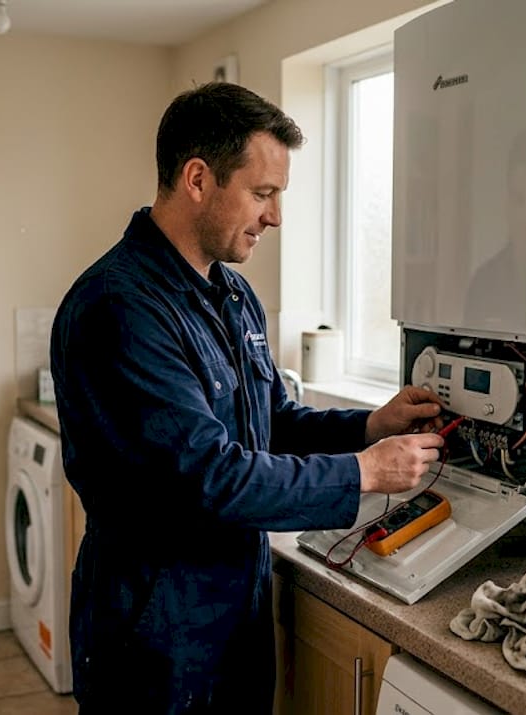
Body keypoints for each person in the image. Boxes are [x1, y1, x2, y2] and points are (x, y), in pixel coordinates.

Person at [50, 82, 447, 714]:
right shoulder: (119, 306)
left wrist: (370, 426)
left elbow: (271, 422)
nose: (275, 217)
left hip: (237, 612)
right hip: (154, 626)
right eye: (262, 194)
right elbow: (208, 476)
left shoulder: (233, 296)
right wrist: (364, 473)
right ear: (198, 179)